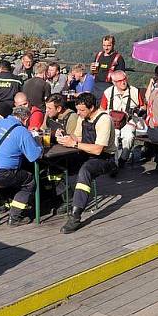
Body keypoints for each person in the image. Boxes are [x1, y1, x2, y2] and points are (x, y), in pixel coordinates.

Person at [56, 92, 116, 234]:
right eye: (77, 109)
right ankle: (67, 198)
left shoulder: (104, 119)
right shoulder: (82, 116)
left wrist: (74, 145)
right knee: (56, 164)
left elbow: (98, 149)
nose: (79, 113)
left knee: (85, 171)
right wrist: (63, 135)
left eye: (82, 110)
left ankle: (75, 216)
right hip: (85, 152)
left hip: (104, 157)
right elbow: (77, 136)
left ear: (92, 108)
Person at [0, 106, 43, 226]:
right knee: (29, 180)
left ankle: (3, 203)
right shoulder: (21, 131)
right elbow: (34, 156)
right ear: (26, 120)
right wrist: (39, 143)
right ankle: (15, 217)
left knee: (14, 175)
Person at [101, 70, 144, 166]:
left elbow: (142, 106)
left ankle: (123, 158)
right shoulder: (108, 92)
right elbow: (102, 109)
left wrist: (136, 112)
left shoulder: (134, 91)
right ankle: (114, 164)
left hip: (128, 121)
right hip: (112, 121)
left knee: (129, 136)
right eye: (120, 81)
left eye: (124, 79)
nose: (123, 82)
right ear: (114, 82)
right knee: (114, 137)